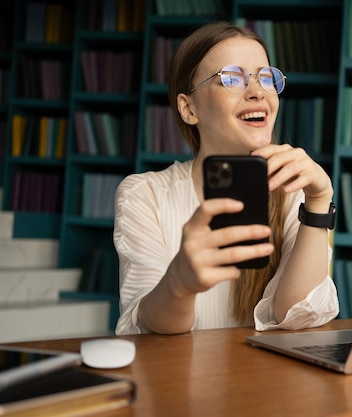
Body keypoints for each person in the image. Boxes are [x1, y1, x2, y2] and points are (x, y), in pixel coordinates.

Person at [114, 21, 339, 335]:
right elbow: (148, 326)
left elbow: (296, 315)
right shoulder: (145, 194)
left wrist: (318, 200)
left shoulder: (292, 191)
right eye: (232, 78)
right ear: (189, 108)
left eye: (266, 77)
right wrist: (179, 283)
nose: (257, 92)